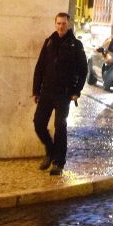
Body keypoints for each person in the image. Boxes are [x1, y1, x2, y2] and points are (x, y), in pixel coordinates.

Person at [32, 12, 87, 176]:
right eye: (58, 23)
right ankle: (50, 151)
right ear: (55, 24)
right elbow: (40, 66)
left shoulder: (76, 45)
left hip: (64, 94)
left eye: (63, 23)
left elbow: (83, 70)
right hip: (47, 92)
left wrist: (76, 91)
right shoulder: (48, 42)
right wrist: (36, 90)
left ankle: (58, 163)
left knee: (60, 127)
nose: (61, 26)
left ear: (68, 25)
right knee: (39, 123)